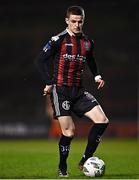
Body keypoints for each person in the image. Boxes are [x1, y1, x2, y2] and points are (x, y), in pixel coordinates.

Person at [35, 5, 109, 177]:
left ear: (83, 21)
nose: (77, 25)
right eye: (73, 21)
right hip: (61, 91)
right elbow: (40, 61)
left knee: (103, 121)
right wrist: (49, 82)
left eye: (80, 21)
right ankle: (62, 166)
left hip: (79, 92)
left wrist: (97, 76)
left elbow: (91, 60)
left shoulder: (87, 42)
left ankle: (85, 160)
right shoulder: (58, 40)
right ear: (67, 21)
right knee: (69, 132)